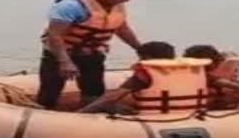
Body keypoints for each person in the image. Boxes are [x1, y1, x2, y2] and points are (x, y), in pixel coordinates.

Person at [37, 0, 143, 110]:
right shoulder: (70, 6)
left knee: (94, 92)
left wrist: (139, 48)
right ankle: (45, 115)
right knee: (50, 92)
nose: (127, 0)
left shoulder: (117, 5)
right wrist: (65, 62)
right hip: (60, 54)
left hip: (92, 55)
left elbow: (122, 29)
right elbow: (55, 35)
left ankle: (88, 120)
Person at [78, 41, 208, 114]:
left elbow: (112, 97)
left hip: (158, 118)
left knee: (100, 102)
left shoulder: (147, 72)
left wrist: (80, 114)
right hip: (193, 115)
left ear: (146, 57)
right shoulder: (191, 69)